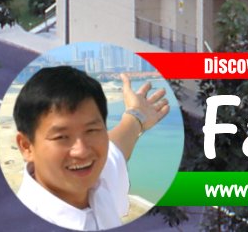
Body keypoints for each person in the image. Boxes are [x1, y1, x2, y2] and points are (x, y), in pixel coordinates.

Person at [13, 66, 170, 230]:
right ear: (26, 146)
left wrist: (136, 115)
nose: (81, 151)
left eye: (91, 130)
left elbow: (116, 148)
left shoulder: (96, 180)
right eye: (61, 137)